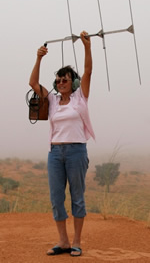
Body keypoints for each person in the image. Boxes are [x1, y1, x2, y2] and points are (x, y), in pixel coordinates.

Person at [29, 31, 95, 257]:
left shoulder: (80, 97)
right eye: (58, 79)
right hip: (55, 152)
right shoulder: (53, 100)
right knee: (57, 198)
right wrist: (39, 58)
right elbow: (33, 83)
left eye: (65, 79)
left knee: (77, 196)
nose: (61, 82)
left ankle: (77, 241)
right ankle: (63, 241)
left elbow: (87, 71)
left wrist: (87, 47)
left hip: (77, 150)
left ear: (73, 82)